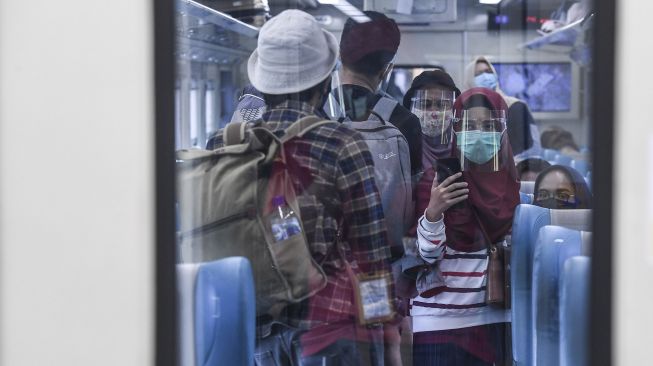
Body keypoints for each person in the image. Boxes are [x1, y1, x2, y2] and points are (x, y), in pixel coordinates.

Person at [207, 10, 399, 365]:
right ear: (325, 82)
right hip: (328, 330)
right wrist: (384, 331)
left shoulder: (224, 143)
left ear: (262, 83)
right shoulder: (342, 143)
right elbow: (371, 255)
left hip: (248, 330)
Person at [411, 87, 520, 365]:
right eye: (470, 125)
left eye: (488, 125)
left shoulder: (511, 188)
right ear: (456, 128)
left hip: (493, 316)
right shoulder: (435, 182)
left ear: (502, 131)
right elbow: (428, 256)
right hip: (438, 321)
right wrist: (434, 212)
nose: (479, 133)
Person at [338, 11, 423, 177]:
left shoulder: (316, 111)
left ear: (339, 56)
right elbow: (413, 193)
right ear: (387, 70)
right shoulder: (406, 121)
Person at [464, 56, 542, 161]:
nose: (486, 77)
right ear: (469, 80)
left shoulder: (516, 106)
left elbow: (534, 148)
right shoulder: (462, 112)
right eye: (478, 74)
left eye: (488, 71)